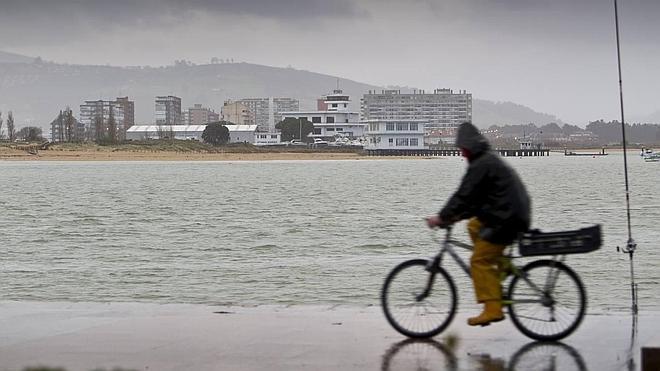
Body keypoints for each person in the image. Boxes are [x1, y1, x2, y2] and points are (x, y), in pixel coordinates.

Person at [426, 121, 531, 327]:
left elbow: (463, 195)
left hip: (506, 220)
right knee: (474, 226)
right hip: (509, 214)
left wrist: (442, 217)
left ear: (469, 147)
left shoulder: (481, 165)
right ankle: (501, 266)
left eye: (463, 149)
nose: (462, 153)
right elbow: (474, 201)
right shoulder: (485, 160)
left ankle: (493, 309)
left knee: (478, 261)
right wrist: (455, 216)